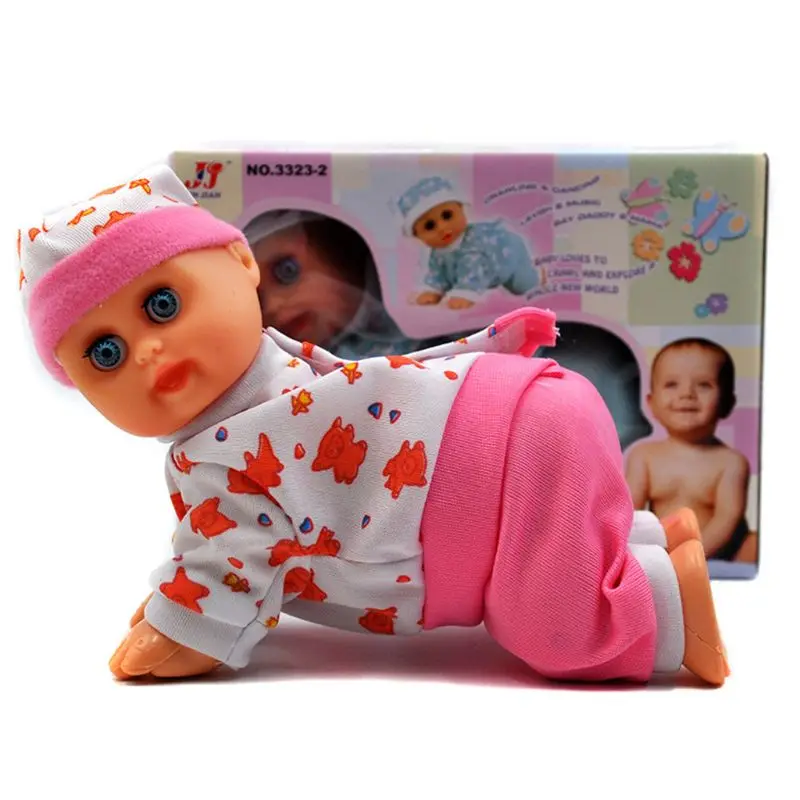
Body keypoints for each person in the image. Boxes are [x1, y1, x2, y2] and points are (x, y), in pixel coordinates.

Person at [17, 164, 728, 686]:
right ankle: (643, 540)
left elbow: (229, 563)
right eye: (104, 353)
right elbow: (234, 552)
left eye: (162, 305)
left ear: (241, 261)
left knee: (558, 629)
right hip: (524, 407)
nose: (146, 352)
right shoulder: (282, 368)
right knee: (552, 546)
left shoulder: (224, 456)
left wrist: (179, 628)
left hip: (501, 463)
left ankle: (676, 605)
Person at [626, 338, 752, 561]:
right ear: (651, 403)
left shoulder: (731, 462)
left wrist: (693, 556)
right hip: (666, 552)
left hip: (720, 553)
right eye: (671, 384)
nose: (687, 394)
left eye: (704, 385)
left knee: (754, 545)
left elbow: (727, 519)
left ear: (727, 403)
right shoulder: (644, 456)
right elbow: (630, 515)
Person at [396, 176, 546, 309]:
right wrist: (433, 289)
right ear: (417, 236)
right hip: (486, 264)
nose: (442, 228)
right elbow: (437, 273)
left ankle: (538, 274)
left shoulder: (473, 247)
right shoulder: (437, 253)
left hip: (509, 253)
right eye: (430, 226)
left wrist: (465, 293)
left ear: (460, 208)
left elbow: (473, 274)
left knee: (521, 285)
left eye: (447, 215)